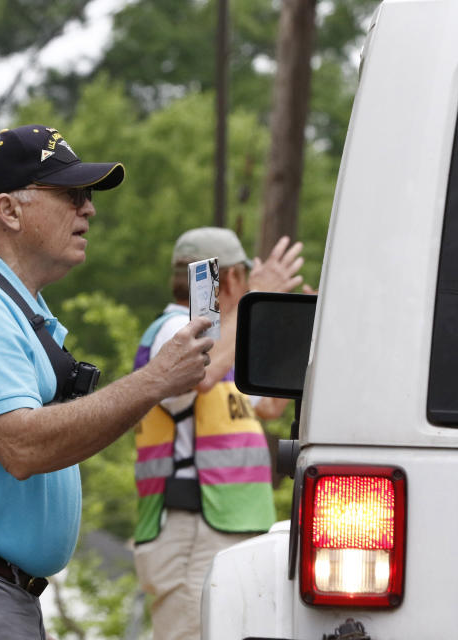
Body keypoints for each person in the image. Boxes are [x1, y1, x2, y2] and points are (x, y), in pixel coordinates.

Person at [0, 124, 215, 640]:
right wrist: (155, 380)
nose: (90, 209)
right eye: (73, 195)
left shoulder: (8, 304)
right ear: (9, 210)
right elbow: (22, 446)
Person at [132, 227, 305, 640]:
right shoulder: (174, 334)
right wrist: (250, 306)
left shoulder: (219, 346)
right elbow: (202, 375)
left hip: (229, 522)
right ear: (229, 280)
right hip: (192, 526)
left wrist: (294, 328)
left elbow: (271, 404)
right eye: (245, 280)